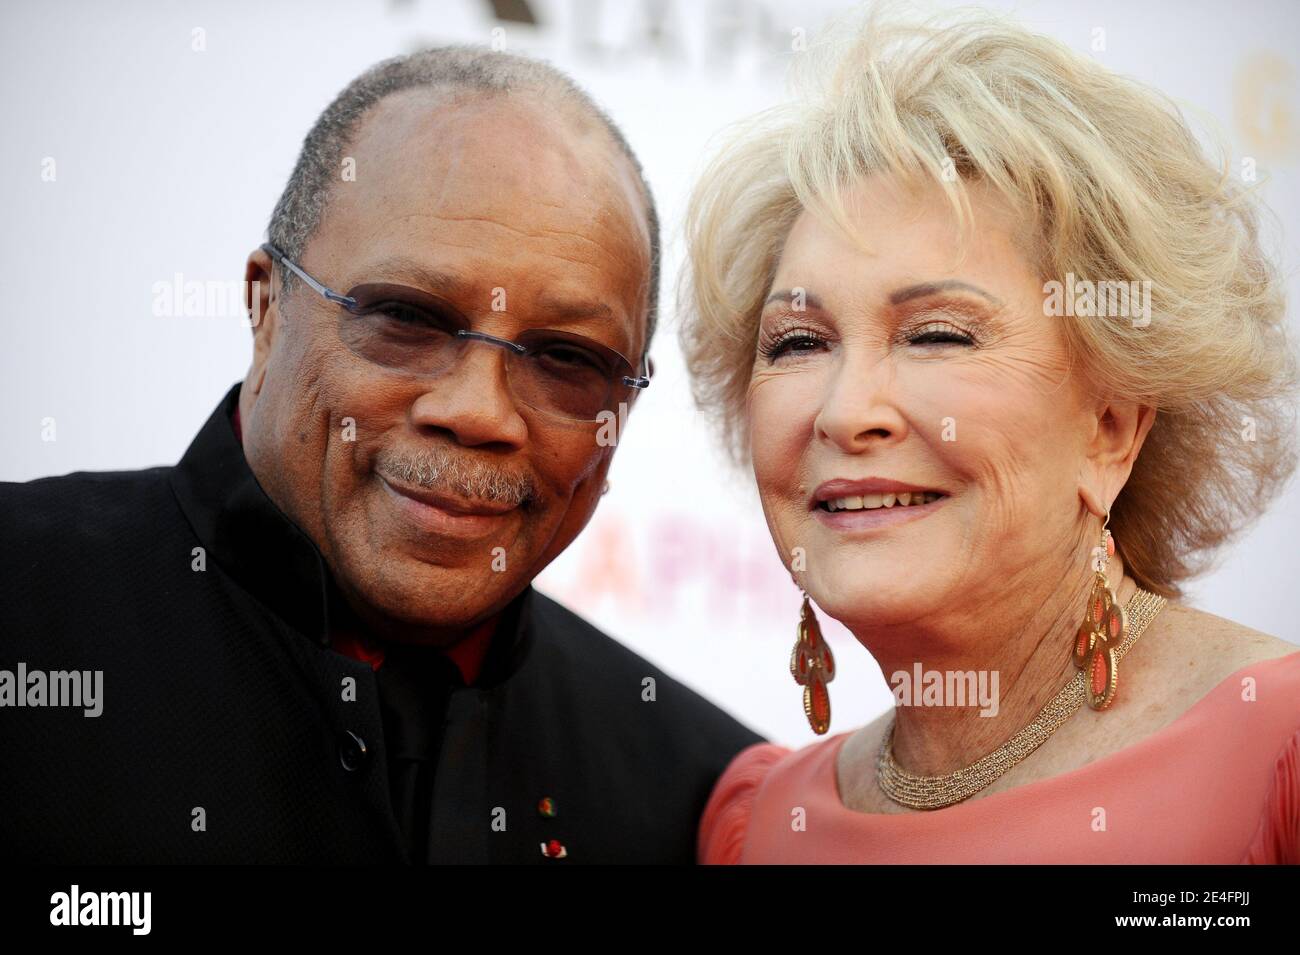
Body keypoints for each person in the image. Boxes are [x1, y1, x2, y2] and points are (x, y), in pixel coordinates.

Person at [0, 46, 762, 863]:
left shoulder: (696, 805)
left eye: (566, 359)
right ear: (265, 307)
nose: (477, 411)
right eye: (408, 318)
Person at [679, 8, 1300, 863]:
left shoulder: (1275, 755)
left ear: (1110, 430)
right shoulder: (757, 823)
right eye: (798, 342)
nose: (844, 410)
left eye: (938, 333)